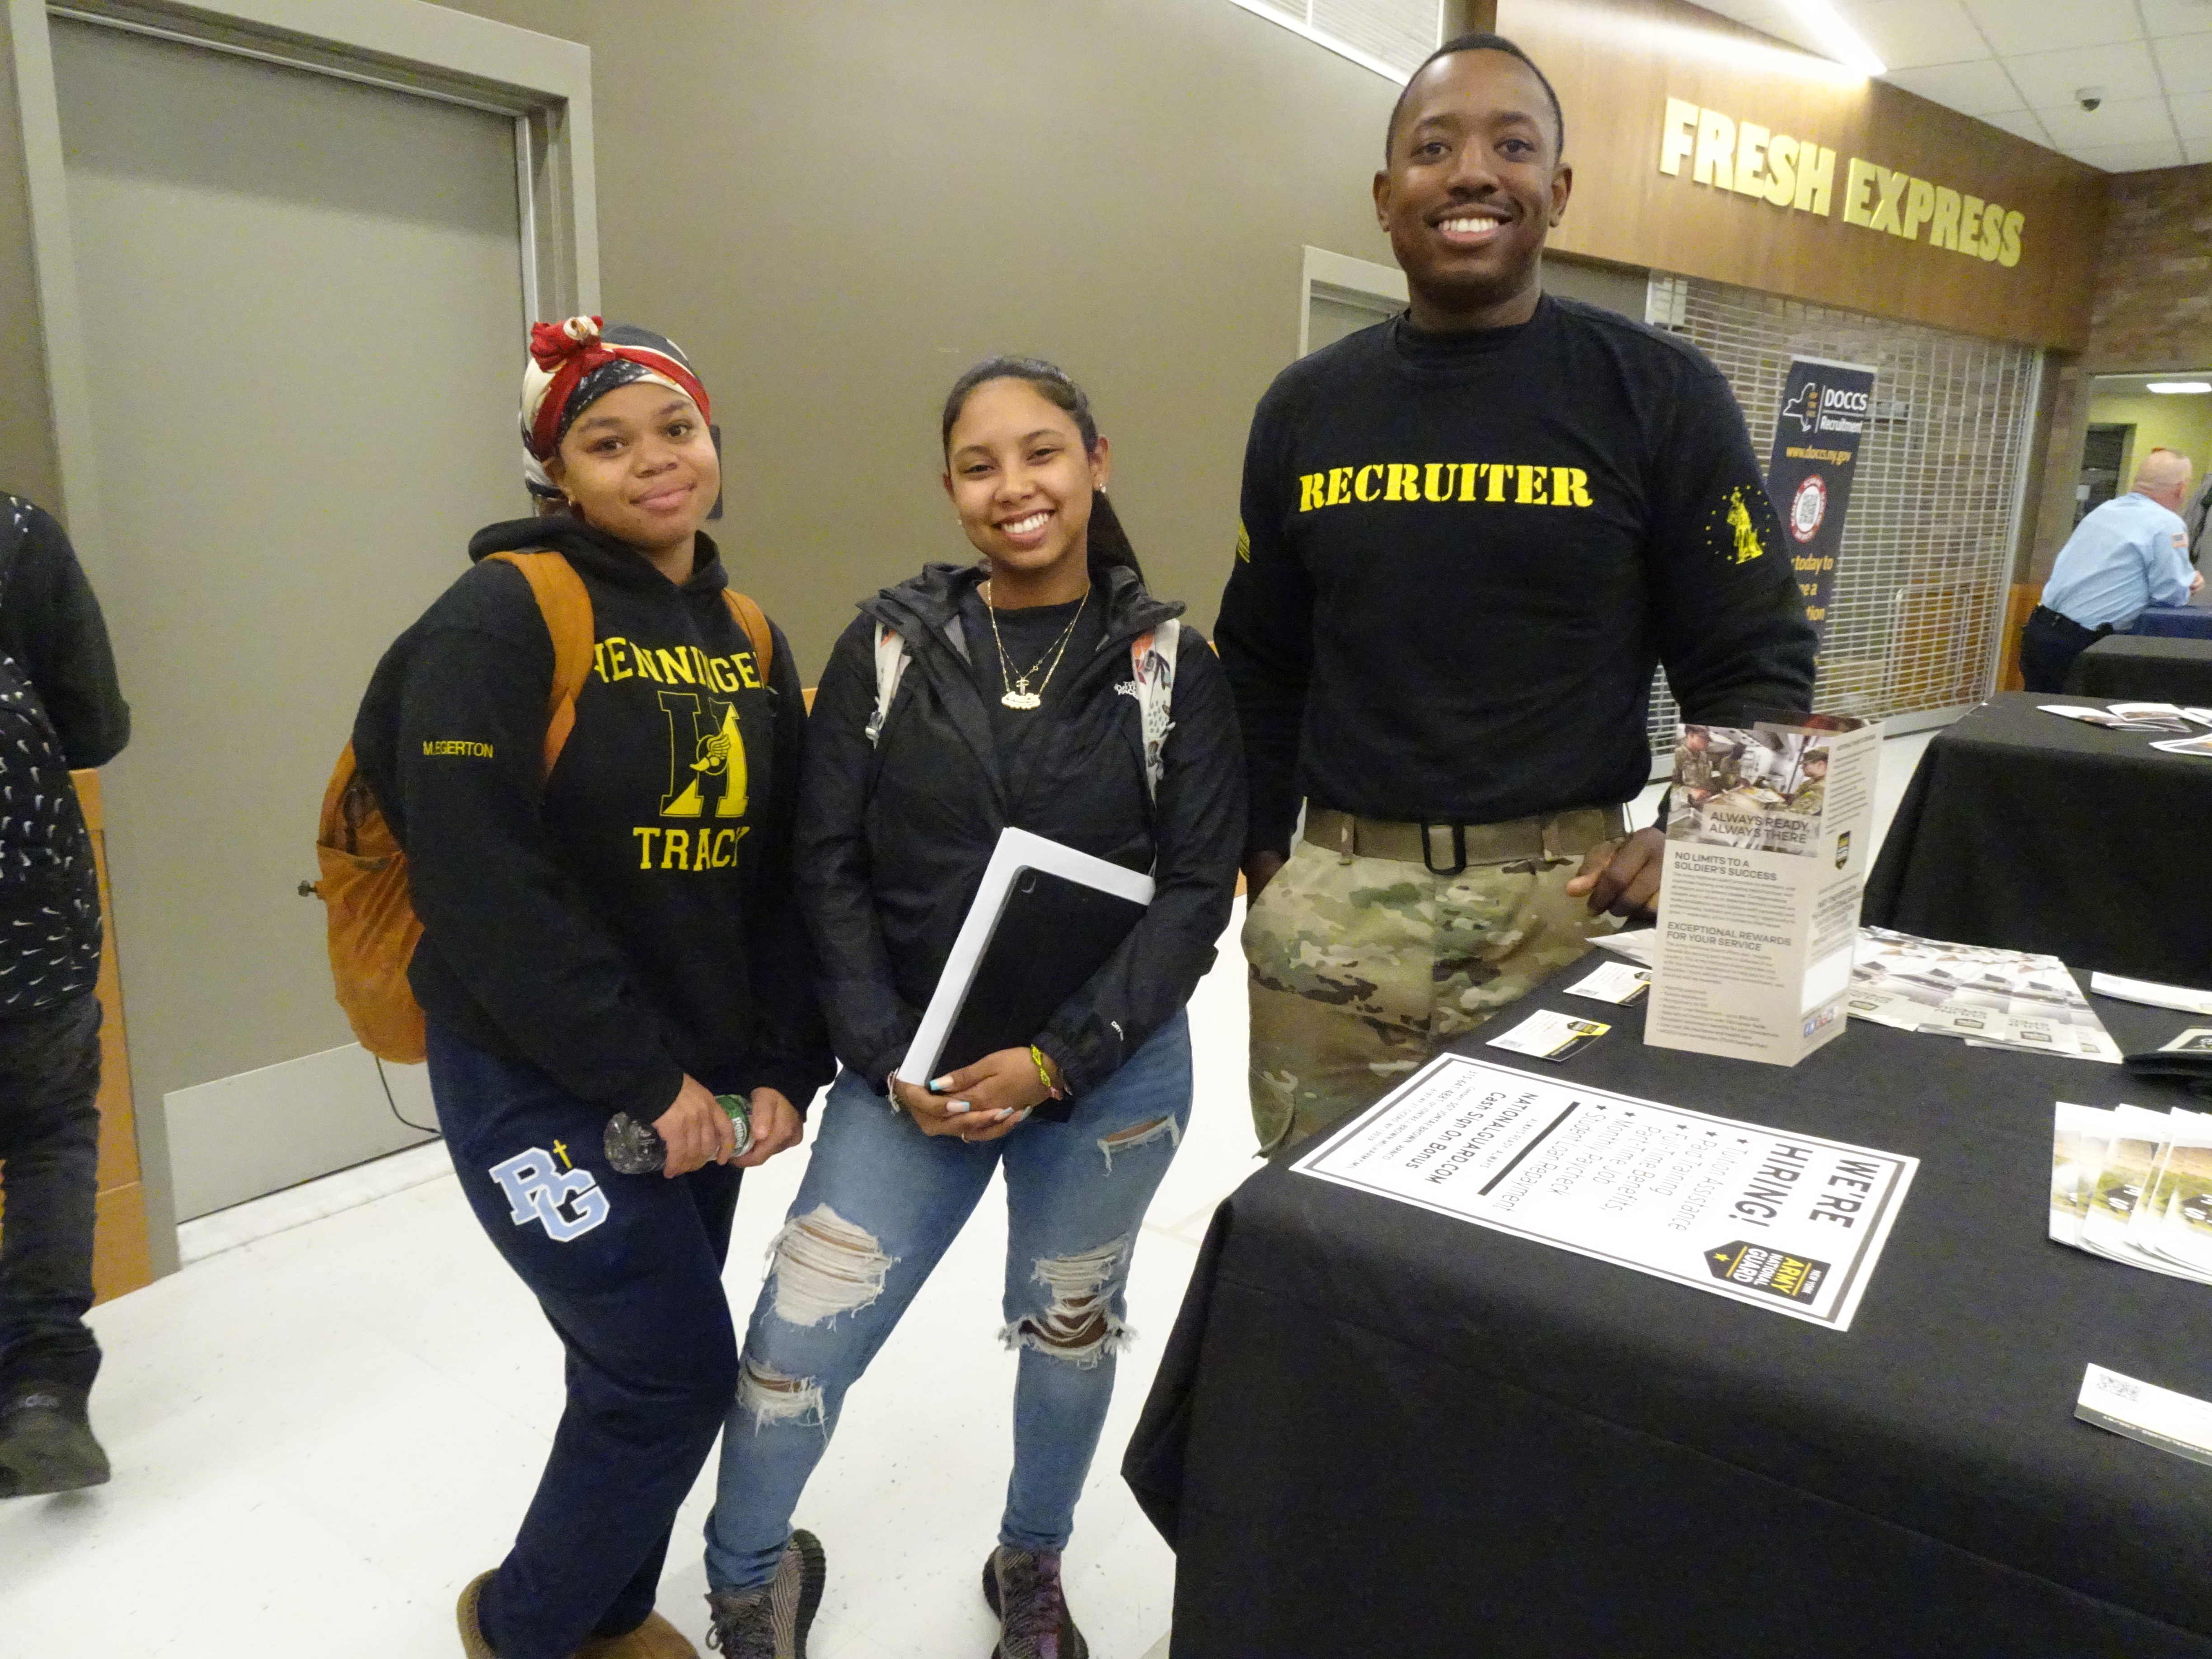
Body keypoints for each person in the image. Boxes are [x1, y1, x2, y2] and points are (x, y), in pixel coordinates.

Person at [700, 357, 1244, 1659]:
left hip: (1105, 1082)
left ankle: (1033, 1566)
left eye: (1043, 453)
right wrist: (888, 1055)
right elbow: (822, 864)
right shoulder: (886, 648)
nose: (1017, 488)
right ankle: (744, 1579)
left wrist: (1059, 1061)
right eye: (982, 464)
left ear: (1096, 462)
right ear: (949, 489)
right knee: (797, 1336)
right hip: (907, 1081)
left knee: (1069, 1334)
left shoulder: (1173, 665)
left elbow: (1194, 893)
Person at [1218, 30, 1817, 1151]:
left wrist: (1712, 835)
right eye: (1434, 146)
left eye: (1512, 144)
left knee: (1557, 1255)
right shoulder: (1304, 408)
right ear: (1387, 196)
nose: (1473, 171)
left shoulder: (1658, 394)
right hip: (1337, 910)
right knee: (1327, 1249)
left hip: (1573, 910)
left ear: (1560, 192)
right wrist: (1263, 859)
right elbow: (1257, 658)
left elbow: (1759, 658)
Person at [351, 318, 830, 1659]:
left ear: (713, 439)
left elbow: (779, 876)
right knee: (669, 1369)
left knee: (632, 1364)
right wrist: (647, 1079)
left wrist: (783, 1065)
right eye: (604, 443)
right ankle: (527, 1628)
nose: (653, 463)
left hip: (703, 1089)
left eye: (675, 429)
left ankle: (612, 1612)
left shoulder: (743, 630)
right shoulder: (496, 621)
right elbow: (484, 885)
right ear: (555, 474)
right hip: (535, 1079)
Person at [0, 495, 129, 1499]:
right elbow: (93, 726)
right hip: (24, 906)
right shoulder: (15, 531)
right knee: (47, 1127)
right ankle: (42, 1384)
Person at [2021, 447, 2202, 692]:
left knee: (2037, 716)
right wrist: (2189, 582)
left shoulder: (2105, 511)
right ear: (2181, 489)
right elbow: (2170, 595)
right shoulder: (2167, 524)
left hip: (2041, 631)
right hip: (2083, 645)